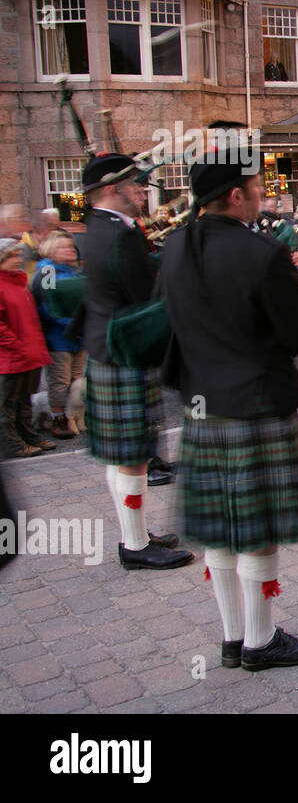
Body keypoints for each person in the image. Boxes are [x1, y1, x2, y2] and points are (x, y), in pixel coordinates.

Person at [160, 153, 298, 672]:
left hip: (202, 405)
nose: (261, 193)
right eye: (255, 186)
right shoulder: (262, 253)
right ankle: (261, 641)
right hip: (256, 404)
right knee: (256, 526)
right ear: (235, 194)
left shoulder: (172, 247)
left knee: (220, 528)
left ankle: (234, 637)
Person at [79, 153, 193, 570]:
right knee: (131, 456)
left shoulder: (103, 226)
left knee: (124, 456)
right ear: (112, 189)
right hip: (122, 350)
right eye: (136, 184)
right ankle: (134, 545)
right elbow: (146, 293)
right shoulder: (118, 235)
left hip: (108, 348)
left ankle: (138, 533)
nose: (144, 190)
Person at [0, 237, 53, 457]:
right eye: (12, 255)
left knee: (24, 402)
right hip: (10, 358)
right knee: (7, 405)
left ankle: (29, 437)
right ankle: (13, 445)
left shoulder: (19, 283)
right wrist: (17, 346)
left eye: (19, 254)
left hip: (28, 354)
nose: (18, 259)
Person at [31, 231, 85, 439]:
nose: (70, 250)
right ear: (51, 250)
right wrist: (72, 325)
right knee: (59, 381)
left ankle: (74, 415)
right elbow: (47, 306)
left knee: (77, 381)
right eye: (63, 247)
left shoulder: (75, 272)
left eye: (71, 246)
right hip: (58, 336)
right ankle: (58, 418)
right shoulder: (47, 271)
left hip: (78, 336)